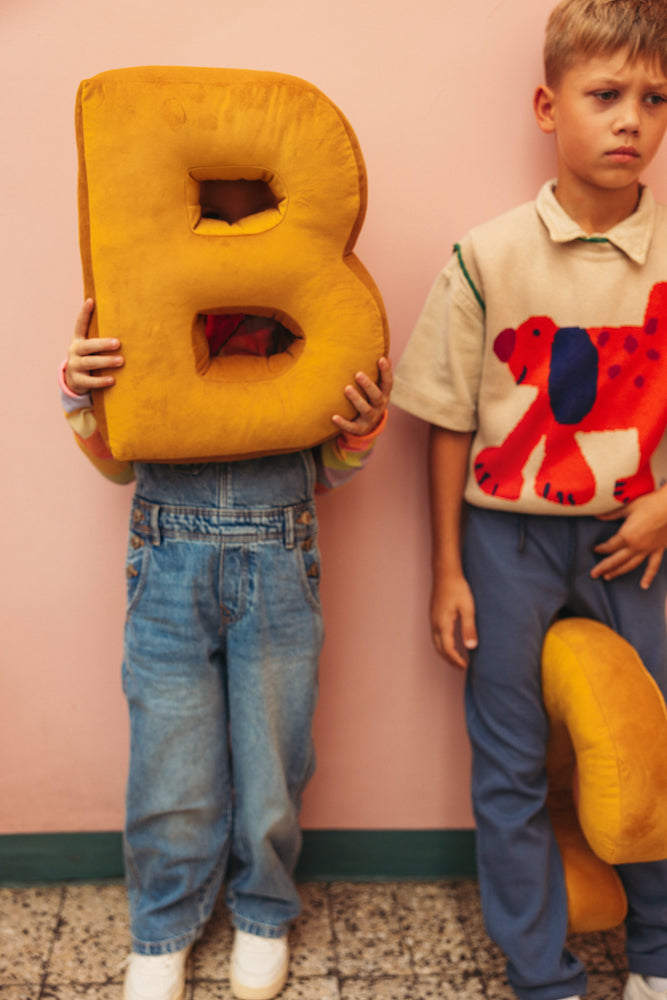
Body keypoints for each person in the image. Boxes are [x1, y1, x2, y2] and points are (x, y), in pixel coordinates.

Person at [391, 1, 667, 998]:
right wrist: (448, 571)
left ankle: (658, 956)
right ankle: (542, 976)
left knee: (651, 748)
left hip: (629, 542)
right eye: (605, 96)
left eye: (652, 98)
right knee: (507, 763)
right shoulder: (487, 256)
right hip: (501, 544)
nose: (629, 119)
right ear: (548, 106)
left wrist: (664, 504)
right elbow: (445, 421)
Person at [61, 287, 391, 1000]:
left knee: (274, 754)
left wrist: (358, 432)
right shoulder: (137, 294)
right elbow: (120, 464)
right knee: (168, 756)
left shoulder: (303, 306)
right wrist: (81, 398)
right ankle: (163, 923)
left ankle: (263, 909)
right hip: (166, 555)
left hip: (278, 551)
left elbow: (326, 476)